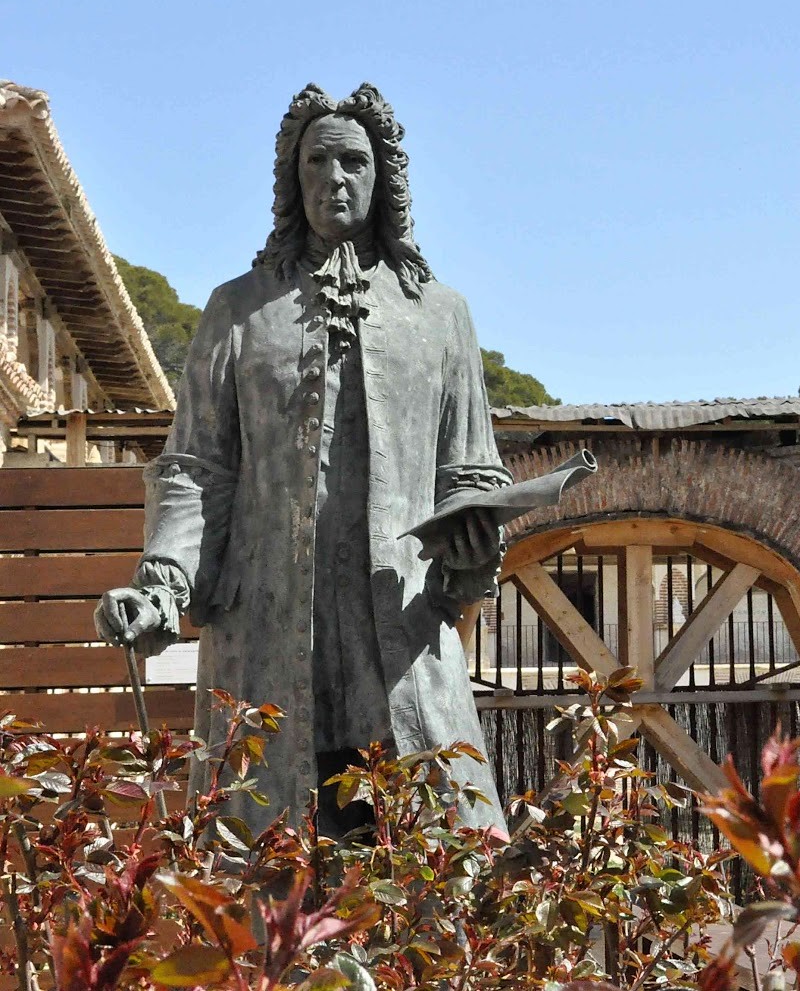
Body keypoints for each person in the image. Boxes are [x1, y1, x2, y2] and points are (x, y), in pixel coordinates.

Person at [96, 84, 508, 836]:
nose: (334, 179)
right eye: (317, 161)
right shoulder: (237, 310)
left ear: (383, 178)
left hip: (399, 630)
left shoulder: (441, 316)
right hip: (267, 631)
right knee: (262, 864)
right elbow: (195, 469)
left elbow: (469, 471)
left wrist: (477, 540)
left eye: (353, 162)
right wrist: (162, 584)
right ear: (293, 178)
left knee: (431, 864)